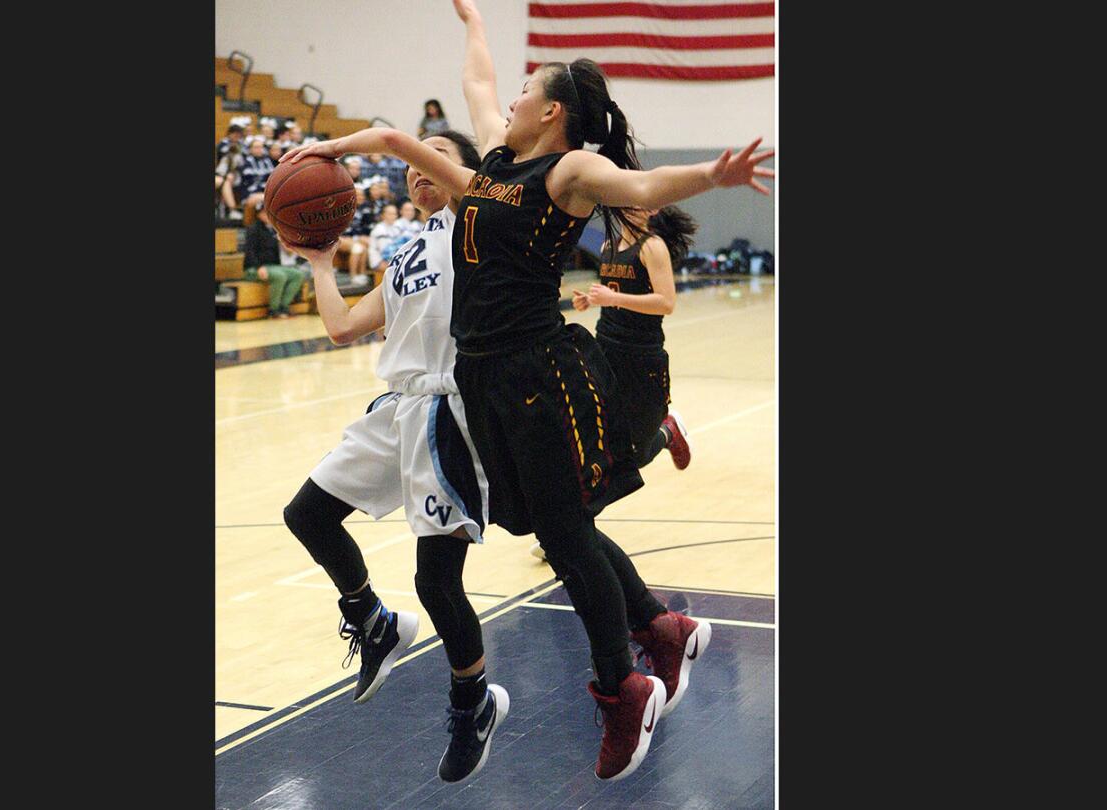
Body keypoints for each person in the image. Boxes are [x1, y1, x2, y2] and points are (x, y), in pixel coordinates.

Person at [443, 0, 771, 781]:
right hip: (481, 371)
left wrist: (711, 175)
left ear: (552, 111)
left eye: (528, 89)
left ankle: (625, 686)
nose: (512, 98)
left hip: (535, 372)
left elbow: (644, 179)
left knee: (562, 534)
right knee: (548, 528)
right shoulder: (494, 160)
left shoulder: (569, 170)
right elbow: (479, 86)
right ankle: (659, 626)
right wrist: (474, 26)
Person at [278, 130, 512, 785]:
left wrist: (385, 141)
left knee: (436, 583)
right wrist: (320, 264)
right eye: (408, 167)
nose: (415, 172)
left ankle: (474, 706)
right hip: (399, 405)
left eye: (429, 157)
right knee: (308, 515)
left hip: (454, 411)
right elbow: (343, 327)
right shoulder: (407, 248)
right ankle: (372, 622)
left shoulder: (482, 223)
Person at [574, 205, 698, 471]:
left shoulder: (652, 247)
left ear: (651, 209)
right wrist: (591, 299)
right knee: (600, 437)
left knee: (636, 456)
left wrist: (613, 298)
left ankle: (668, 431)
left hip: (641, 357)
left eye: (636, 205)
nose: (629, 209)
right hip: (605, 348)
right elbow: (616, 291)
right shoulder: (609, 245)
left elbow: (666, 302)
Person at [244, 203, 307, 319]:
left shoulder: (274, 230)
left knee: (298, 275)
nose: (267, 216)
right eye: (264, 213)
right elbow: (249, 252)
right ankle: (273, 310)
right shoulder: (253, 229)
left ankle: (284, 306)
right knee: (279, 276)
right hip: (254, 268)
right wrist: (258, 267)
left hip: (274, 266)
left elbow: (287, 250)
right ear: (258, 215)